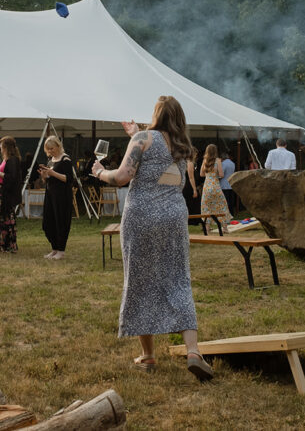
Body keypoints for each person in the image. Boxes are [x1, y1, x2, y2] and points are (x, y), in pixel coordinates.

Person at [92, 96, 214, 381]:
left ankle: (148, 355)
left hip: (143, 218)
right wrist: (135, 133)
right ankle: (193, 351)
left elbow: (123, 176)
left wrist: (100, 172)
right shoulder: (184, 148)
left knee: (139, 279)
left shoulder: (144, 139)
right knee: (178, 280)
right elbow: (164, 170)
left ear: (156, 114)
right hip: (174, 218)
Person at [39, 136, 74, 260]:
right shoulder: (50, 160)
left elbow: (69, 179)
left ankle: (61, 250)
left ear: (58, 146)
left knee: (61, 222)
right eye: (48, 149)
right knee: (48, 223)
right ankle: (54, 248)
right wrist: (45, 176)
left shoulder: (66, 159)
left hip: (62, 196)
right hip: (50, 194)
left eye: (52, 148)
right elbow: (49, 179)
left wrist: (53, 173)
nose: (50, 151)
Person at [0, 136, 22, 253]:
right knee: (1, 219)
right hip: (1, 192)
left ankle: (10, 244)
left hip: (8, 194)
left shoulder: (13, 160)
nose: (0, 149)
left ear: (6, 147)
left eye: (1, 147)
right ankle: (2, 244)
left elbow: (12, 178)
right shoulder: (5, 159)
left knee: (8, 218)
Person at [199, 145, 230, 228]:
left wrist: (208, 174)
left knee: (206, 208)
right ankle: (225, 228)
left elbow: (201, 174)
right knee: (222, 206)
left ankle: (207, 229)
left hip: (206, 187)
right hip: (216, 186)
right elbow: (221, 174)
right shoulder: (218, 161)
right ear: (215, 151)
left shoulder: (205, 161)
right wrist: (215, 175)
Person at [182, 147, 201, 222]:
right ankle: (193, 220)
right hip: (189, 186)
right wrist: (194, 189)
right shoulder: (190, 163)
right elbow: (191, 177)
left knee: (189, 202)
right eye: (195, 154)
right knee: (192, 202)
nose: (196, 156)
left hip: (186, 185)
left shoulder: (185, 162)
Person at [219, 150, 237, 216]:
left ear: (222, 158)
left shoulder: (223, 164)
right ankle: (231, 213)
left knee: (225, 201)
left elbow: (221, 174)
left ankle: (226, 214)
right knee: (231, 201)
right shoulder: (232, 163)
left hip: (224, 185)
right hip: (230, 184)